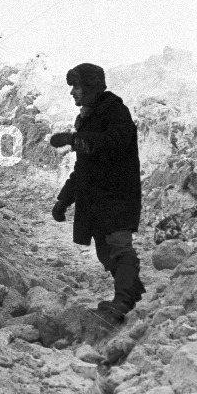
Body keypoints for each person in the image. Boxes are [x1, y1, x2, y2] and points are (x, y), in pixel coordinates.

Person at [49, 63, 144, 323]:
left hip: (118, 193)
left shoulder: (115, 112)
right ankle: (131, 292)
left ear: (91, 87)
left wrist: (74, 139)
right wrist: (64, 199)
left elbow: (114, 144)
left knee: (118, 246)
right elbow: (83, 167)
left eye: (76, 87)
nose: (72, 93)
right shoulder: (88, 116)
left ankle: (124, 300)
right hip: (98, 198)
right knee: (105, 251)